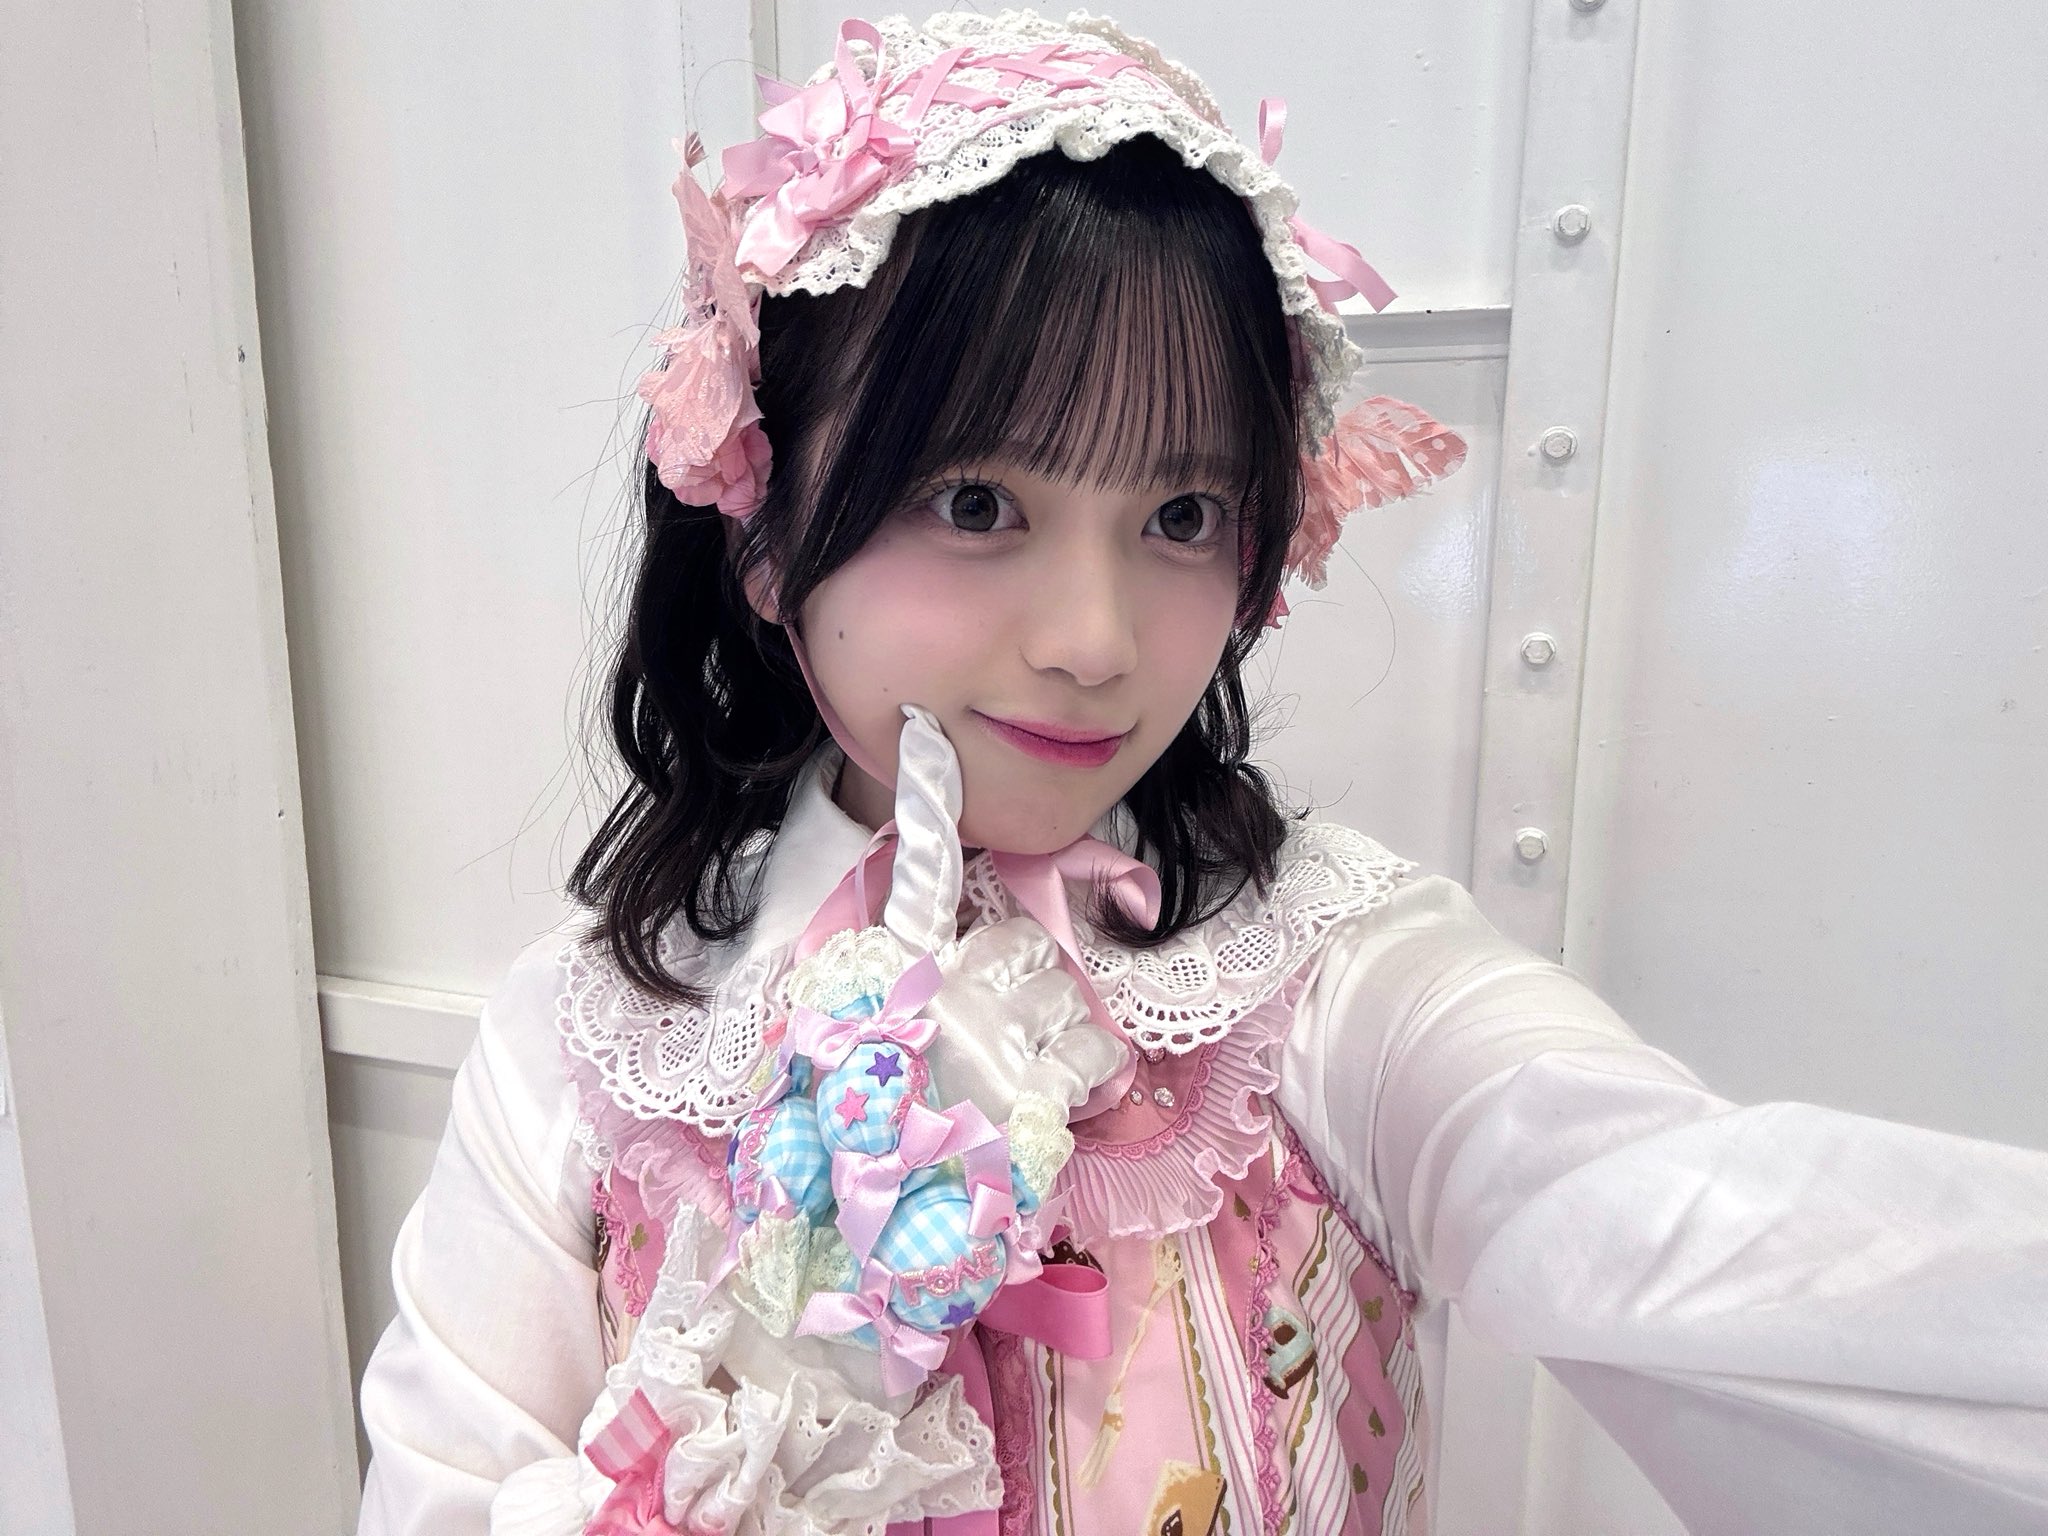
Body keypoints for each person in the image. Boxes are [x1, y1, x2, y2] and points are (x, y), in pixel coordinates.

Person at [353, 12, 2048, 1535]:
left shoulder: (1330, 986)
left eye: (1179, 514)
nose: (1097, 640)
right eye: (978, 503)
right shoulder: (589, 1044)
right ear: (765, 525)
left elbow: (1682, 1227)